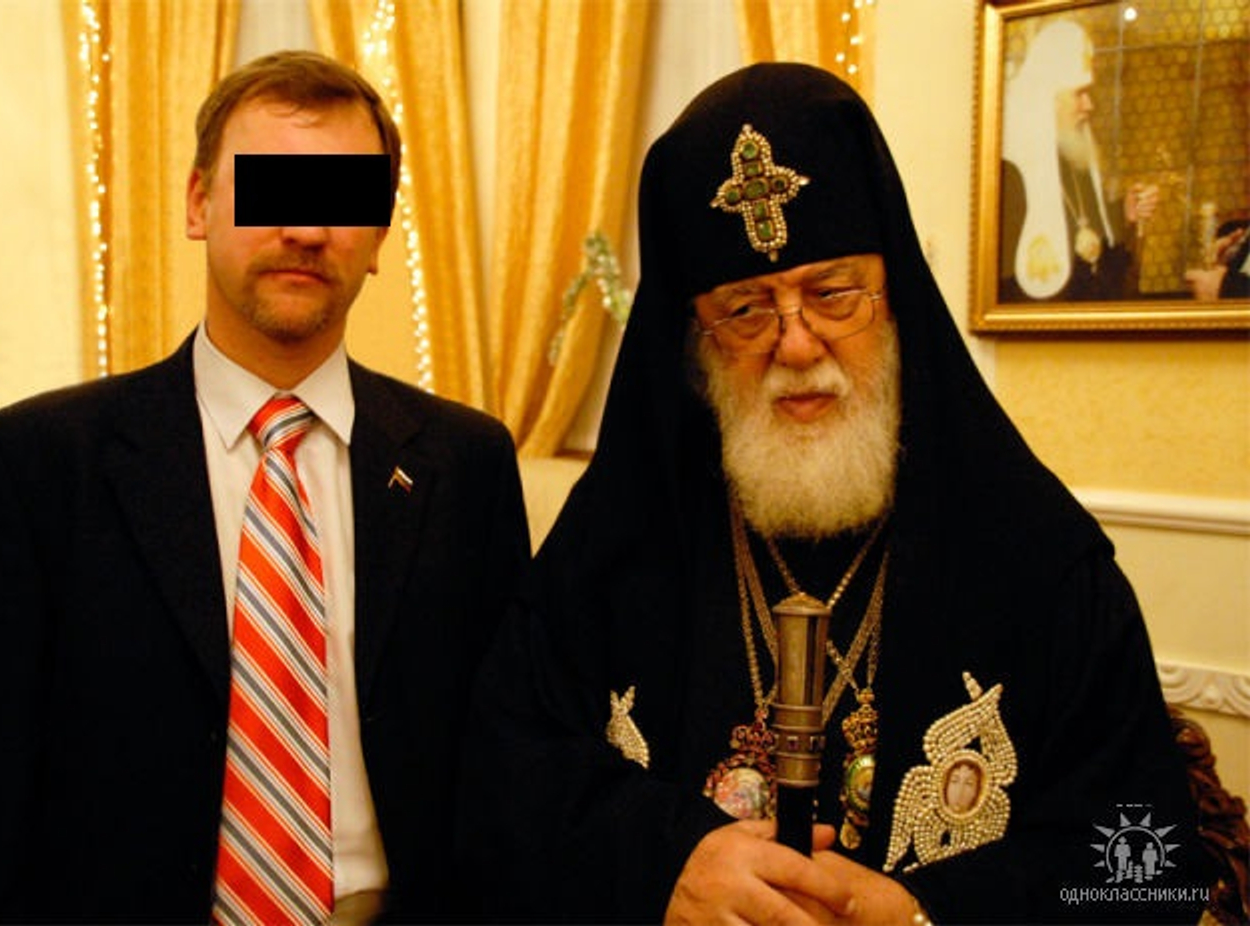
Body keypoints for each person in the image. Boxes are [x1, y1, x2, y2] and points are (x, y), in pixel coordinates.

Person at [460, 63, 1205, 924]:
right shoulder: (614, 545)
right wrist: (667, 862)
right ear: (695, 340)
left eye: (833, 294)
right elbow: (497, 787)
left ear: (895, 298)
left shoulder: (1039, 560)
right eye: (746, 310)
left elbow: (1151, 870)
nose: (796, 344)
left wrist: (923, 915)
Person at [0, 50, 530, 924]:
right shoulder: (32, 468)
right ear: (199, 204)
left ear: (380, 234)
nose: (305, 228)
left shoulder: (467, 465)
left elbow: (507, 758)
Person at [999, 19, 1158, 302]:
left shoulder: (1072, 154)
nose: (1089, 105)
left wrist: (1122, 214)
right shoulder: (1009, 171)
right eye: (1079, 94)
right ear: (1049, 99)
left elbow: (1086, 229)